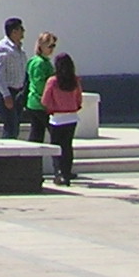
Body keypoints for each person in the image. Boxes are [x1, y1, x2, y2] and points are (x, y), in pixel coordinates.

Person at [41, 52, 85, 185]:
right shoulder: (75, 80)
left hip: (56, 118)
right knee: (67, 146)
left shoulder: (53, 81)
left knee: (56, 146)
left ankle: (57, 172)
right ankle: (67, 173)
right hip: (72, 117)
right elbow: (79, 98)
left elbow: (45, 100)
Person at [0, 17, 27, 142]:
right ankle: (6, 155)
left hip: (17, 91)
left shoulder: (19, 49)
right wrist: (6, 95)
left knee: (15, 126)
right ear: (14, 31)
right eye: (21, 29)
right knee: (11, 126)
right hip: (4, 92)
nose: (23, 31)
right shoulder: (1, 48)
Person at [26, 31, 58, 144]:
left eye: (53, 46)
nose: (52, 49)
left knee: (37, 133)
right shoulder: (39, 63)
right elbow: (40, 84)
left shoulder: (41, 61)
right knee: (54, 133)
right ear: (42, 46)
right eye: (49, 46)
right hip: (40, 103)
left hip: (35, 102)